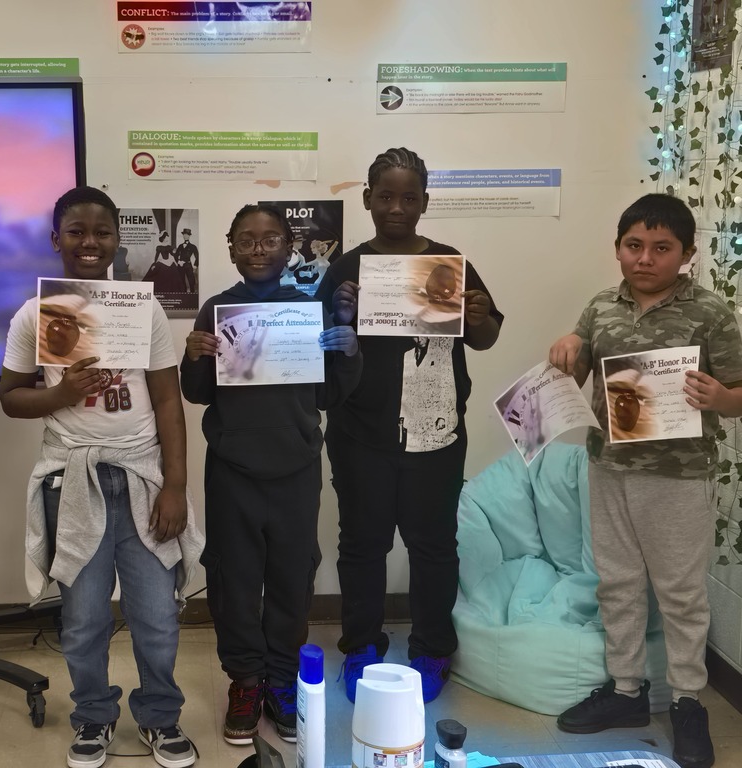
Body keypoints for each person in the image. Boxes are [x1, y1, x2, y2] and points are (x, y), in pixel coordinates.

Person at [0, 186, 202, 768]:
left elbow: (168, 402)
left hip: (142, 479)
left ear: (117, 240)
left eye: (102, 232)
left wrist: (176, 484)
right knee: (84, 619)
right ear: (56, 239)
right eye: (77, 231)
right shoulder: (35, 314)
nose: (90, 243)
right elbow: (11, 399)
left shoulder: (143, 309)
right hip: (75, 481)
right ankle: (93, 717)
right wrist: (60, 392)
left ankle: (160, 718)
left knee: (157, 618)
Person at [549, 193, 742, 768]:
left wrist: (722, 397)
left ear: (686, 253)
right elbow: (577, 372)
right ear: (617, 249)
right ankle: (626, 691)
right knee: (618, 582)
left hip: (678, 475)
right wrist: (568, 348)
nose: (646, 258)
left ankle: (687, 701)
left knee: (681, 594)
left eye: (662, 248)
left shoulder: (711, 312)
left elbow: (737, 394)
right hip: (609, 467)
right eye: (634, 246)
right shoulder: (601, 306)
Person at [314, 147, 503, 703]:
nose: (397, 207)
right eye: (386, 196)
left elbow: (486, 336)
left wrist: (477, 312)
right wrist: (340, 316)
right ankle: (362, 646)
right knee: (362, 546)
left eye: (409, 197)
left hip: (436, 431)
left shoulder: (448, 262)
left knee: (434, 546)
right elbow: (319, 351)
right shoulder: (346, 268)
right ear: (367, 199)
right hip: (359, 434)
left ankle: (432, 648)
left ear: (425, 202)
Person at [180, 204, 361, 745]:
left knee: (291, 576)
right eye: (246, 240)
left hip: (296, 469)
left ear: (289, 248)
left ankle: (281, 680)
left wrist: (349, 352)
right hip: (232, 471)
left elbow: (329, 395)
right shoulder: (216, 309)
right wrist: (194, 357)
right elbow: (197, 393)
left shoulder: (308, 310)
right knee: (233, 579)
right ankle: (245, 680)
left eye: (270, 239)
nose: (258, 249)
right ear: (230, 247)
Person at [174, 228, 199, 293]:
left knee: (191, 281)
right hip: (180, 266)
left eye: (186, 235)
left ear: (189, 236)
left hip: (188, 265)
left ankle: (192, 295)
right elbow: (176, 256)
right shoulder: (180, 246)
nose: (185, 236)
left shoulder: (193, 246)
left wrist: (195, 265)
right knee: (181, 281)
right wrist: (178, 262)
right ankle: (183, 294)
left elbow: (197, 257)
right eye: (184, 235)